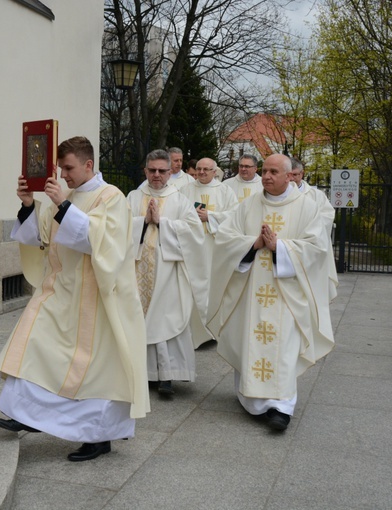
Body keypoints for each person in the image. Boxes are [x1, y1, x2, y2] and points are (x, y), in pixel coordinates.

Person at [0, 136, 149, 462]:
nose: (63, 174)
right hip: (61, 293)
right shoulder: (67, 196)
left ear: (89, 164)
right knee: (32, 341)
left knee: (97, 373)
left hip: (98, 299)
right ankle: (25, 413)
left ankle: (98, 438)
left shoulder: (112, 197)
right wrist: (27, 205)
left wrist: (63, 205)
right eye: (61, 168)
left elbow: (100, 242)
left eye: (69, 168)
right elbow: (41, 238)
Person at [207, 154, 335, 431]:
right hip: (251, 290)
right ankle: (252, 401)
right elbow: (226, 240)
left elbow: (317, 248)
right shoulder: (249, 204)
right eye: (264, 171)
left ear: (289, 176)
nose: (266, 176)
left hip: (288, 293)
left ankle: (281, 407)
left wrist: (281, 248)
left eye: (273, 172)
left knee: (285, 348)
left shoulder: (307, 207)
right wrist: (254, 244)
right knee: (249, 340)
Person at [126, 149, 209, 395]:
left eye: (162, 171)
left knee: (166, 319)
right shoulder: (132, 197)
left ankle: (167, 376)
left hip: (168, 271)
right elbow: (118, 227)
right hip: (135, 269)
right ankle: (141, 373)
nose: (157, 175)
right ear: (145, 171)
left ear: (170, 172)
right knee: (137, 319)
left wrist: (162, 222)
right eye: (152, 170)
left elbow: (194, 232)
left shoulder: (180, 199)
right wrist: (142, 222)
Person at [180, 157, 238, 348]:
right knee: (192, 287)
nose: (202, 172)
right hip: (192, 249)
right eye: (199, 169)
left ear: (215, 171)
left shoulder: (225, 191)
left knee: (214, 286)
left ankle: (213, 331)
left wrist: (210, 217)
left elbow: (235, 216)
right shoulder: (185, 190)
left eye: (207, 169)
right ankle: (193, 331)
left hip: (215, 248)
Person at [290, 156, 338, 300]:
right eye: (289, 175)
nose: (292, 179)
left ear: (302, 173)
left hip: (309, 246)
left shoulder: (316, 195)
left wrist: (306, 227)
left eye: (295, 175)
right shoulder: (277, 194)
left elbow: (328, 216)